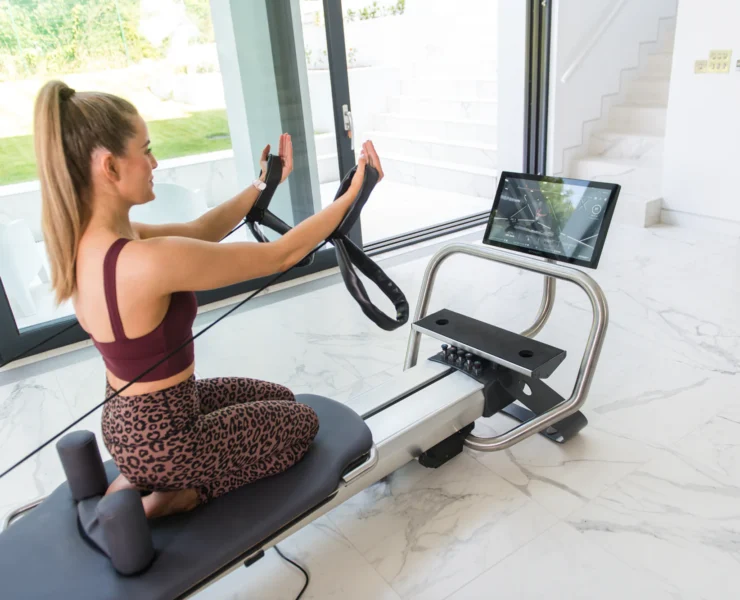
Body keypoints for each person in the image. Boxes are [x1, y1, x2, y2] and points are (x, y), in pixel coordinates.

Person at [33, 80, 384, 519]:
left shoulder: (93, 244)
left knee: (282, 396)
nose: (154, 162)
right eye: (145, 150)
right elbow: (283, 254)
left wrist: (261, 186)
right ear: (109, 167)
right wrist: (353, 196)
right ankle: (183, 494)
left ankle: (144, 474)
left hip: (131, 424)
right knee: (303, 427)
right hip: (169, 439)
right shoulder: (144, 261)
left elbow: (200, 231)